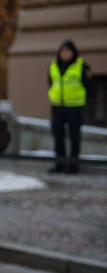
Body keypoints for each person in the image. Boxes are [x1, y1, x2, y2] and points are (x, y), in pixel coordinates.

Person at [47, 40, 90, 174]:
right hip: (57, 106)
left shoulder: (81, 66)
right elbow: (50, 83)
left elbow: (89, 86)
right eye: (63, 51)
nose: (65, 54)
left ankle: (73, 165)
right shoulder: (54, 66)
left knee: (74, 136)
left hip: (75, 107)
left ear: (73, 53)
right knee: (58, 135)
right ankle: (60, 163)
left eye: (68, 51)